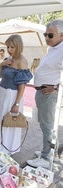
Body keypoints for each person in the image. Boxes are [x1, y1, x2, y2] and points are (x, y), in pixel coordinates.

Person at [26, 20, 63, 169]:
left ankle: (47, 158)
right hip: (42, 92)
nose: (46, 38)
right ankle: (48, 151)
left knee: (48, 126)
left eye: (50, 35)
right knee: (45, 125)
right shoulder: (53, 48)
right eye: (45, 34)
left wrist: (55, 88)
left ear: (62, 35)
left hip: (49, 94)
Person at [0, 35, 33, 155]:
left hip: (12, 95)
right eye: (8, 47)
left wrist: (17, 103)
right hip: (3, 93)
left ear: (18, 46)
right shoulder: (8, 58)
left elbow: (22, 86)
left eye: (12, 47)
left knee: (9, 121)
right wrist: (2, 65)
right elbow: (0, 76)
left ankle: (6, 148)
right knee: (0, 118)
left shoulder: (22, 61)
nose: (9, 49)